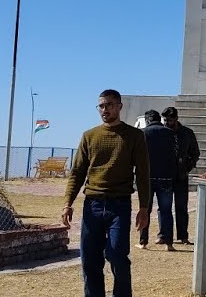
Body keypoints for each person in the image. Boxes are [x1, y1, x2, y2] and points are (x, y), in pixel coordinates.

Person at [63, 89, 151, 297]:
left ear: (119, 106)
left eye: (109, 105)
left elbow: (143, 174)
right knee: (90, 259)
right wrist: (68, 203)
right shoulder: (89, 136)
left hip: (119, 205)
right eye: (101, 106)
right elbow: (77, 172)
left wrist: (144, 208)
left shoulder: (134, 136)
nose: (105, 109)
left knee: (117, 255)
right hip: (92, 204)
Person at [162, 106, 201, 245]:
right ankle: (163, 235)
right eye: (165, 120)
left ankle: (183, 235)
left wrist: (187, 166)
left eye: (170, 120)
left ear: (176, 119)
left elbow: (195, 153)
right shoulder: (162, 132)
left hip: (181, 175)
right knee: (164, 207)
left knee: (181, 207)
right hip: (165, 175)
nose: (167, 123)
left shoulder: (187, 133)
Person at [139, 110, 177, 251]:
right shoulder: (170, 134)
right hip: (166, 176)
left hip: (147, 177)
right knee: (166, 210)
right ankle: (168, 243)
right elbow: (175, 154)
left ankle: (143, 241)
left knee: (145, 209)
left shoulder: (143, 133)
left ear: (147, 120)